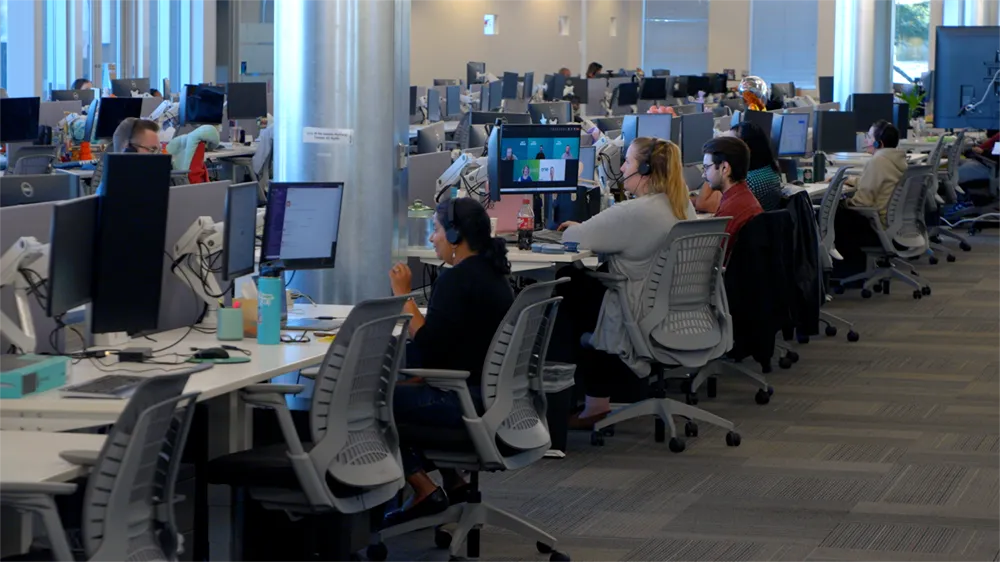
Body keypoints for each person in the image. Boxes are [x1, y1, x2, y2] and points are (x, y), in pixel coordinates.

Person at [384, 198, 513, 527]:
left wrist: (405, 297)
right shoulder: (492, 273)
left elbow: (431, 349)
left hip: (464, 400)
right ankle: (454, 483)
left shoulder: (456, 280)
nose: (432, 238)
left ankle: (423, 487)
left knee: (371, 400)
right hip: (488, 395)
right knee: (402, 389)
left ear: (455, 235)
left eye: (436, 230)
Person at [551, 138, 695, 427]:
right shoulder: (682, 205)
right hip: (674, 312)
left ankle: (569, 405)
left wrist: (578, 228)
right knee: (584, 289)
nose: (622, 167)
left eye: (627, 161)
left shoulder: (636, 212)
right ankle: (594, 400)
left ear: (643, 169)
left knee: (565, 290)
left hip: (638, 312)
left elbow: (571, 239)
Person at [831, 120, 908, 278]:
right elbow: (876, 181)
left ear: (877, 142)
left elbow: (862, 203)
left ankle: (849, 274)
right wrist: (849, 180)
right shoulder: (895, 159)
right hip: (895, 224)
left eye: (868, 137)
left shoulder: (878, 162)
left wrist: (841, 203)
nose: (865, 141)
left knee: (835, 217)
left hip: (878, 226)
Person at [702, 136, 763, 248]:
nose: (703, 175)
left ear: (724, 168)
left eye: (706, 168)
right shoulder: (743, 198)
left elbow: (712, 255)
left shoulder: (731, 210)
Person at [94, 118, 161, 196]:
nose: (158, 156)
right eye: (152, 150)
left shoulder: (149, 183)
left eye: (158, 151)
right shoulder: (113, 191)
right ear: (129, 151)